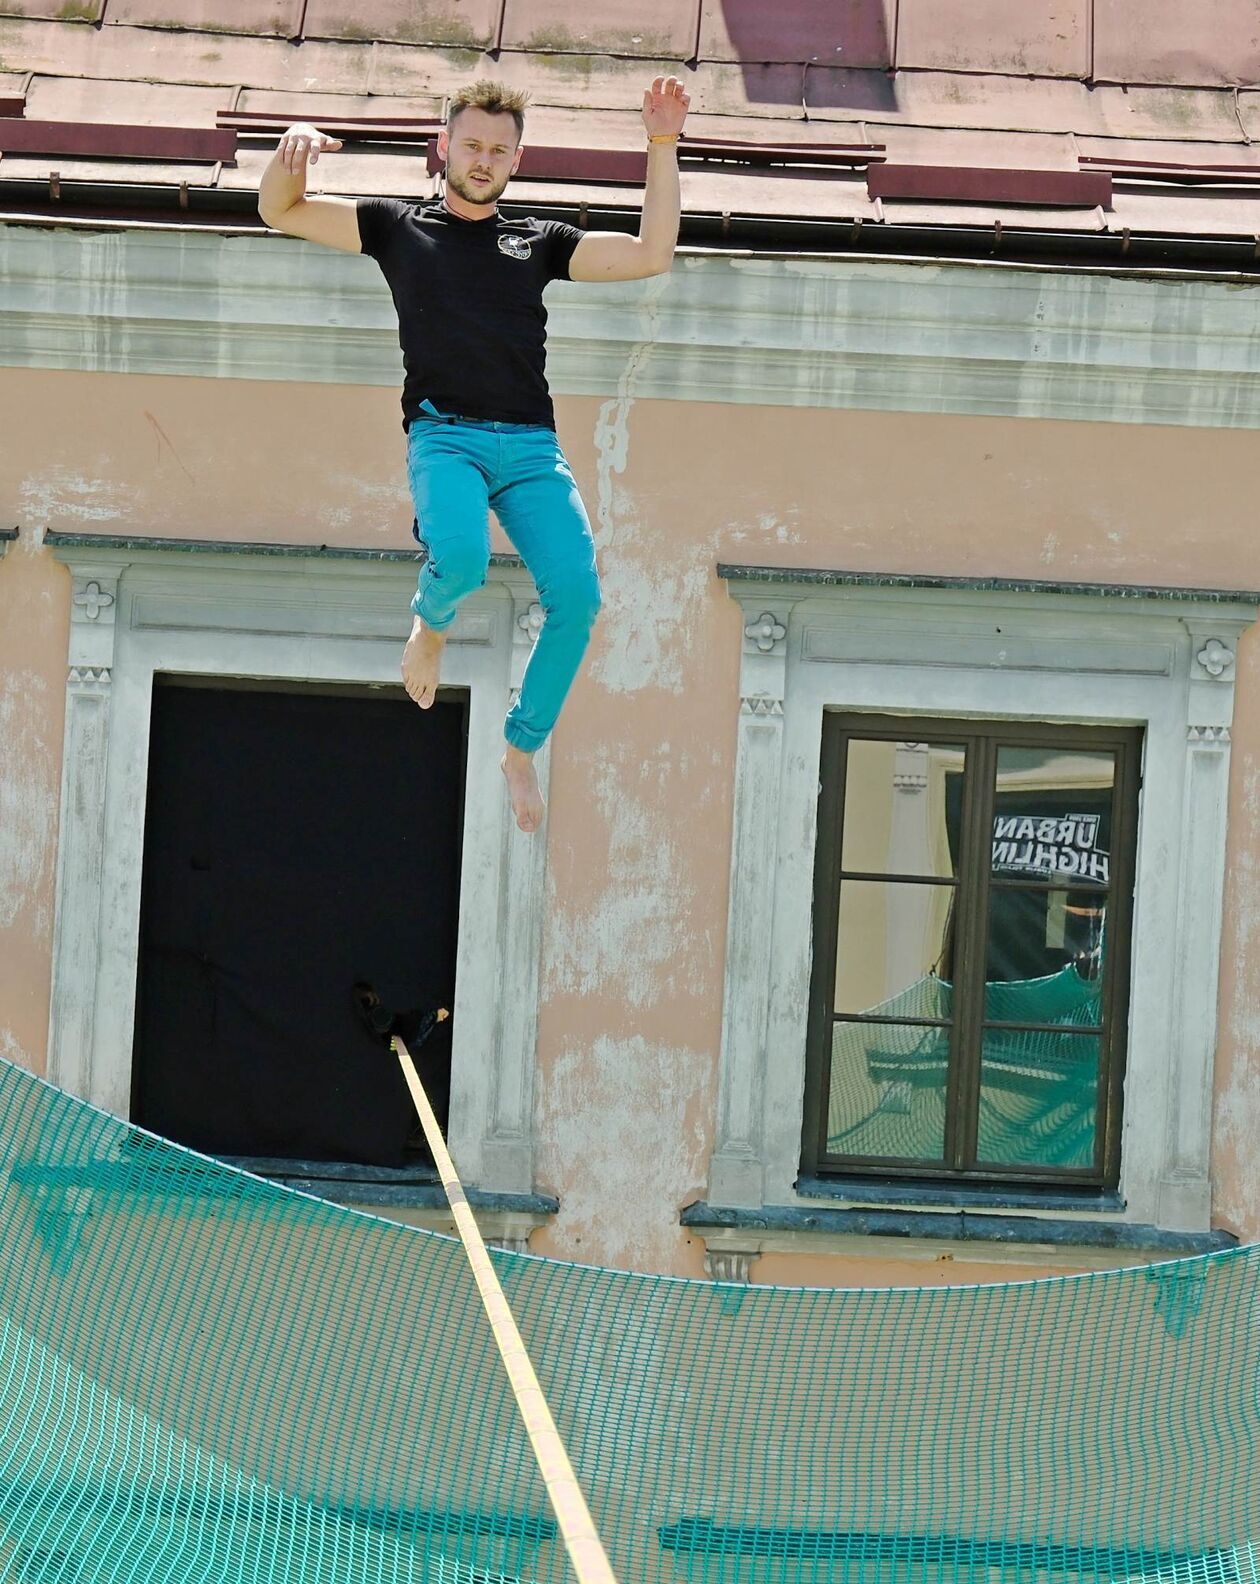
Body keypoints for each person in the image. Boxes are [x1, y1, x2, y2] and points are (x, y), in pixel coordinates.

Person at [258, 76, 691, 833]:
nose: (484, 159)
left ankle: (519, 748)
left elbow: (653, 253)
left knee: (579, 599)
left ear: (517, 160)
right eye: (472, 145)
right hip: (445, 436)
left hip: (529, 447)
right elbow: (279, 209)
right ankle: (429, 628)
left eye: (499, 149)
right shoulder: (396, 227)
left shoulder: (536, 242)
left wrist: (661, 144)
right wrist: (290, 151)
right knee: (460, 561)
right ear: (443, 146)